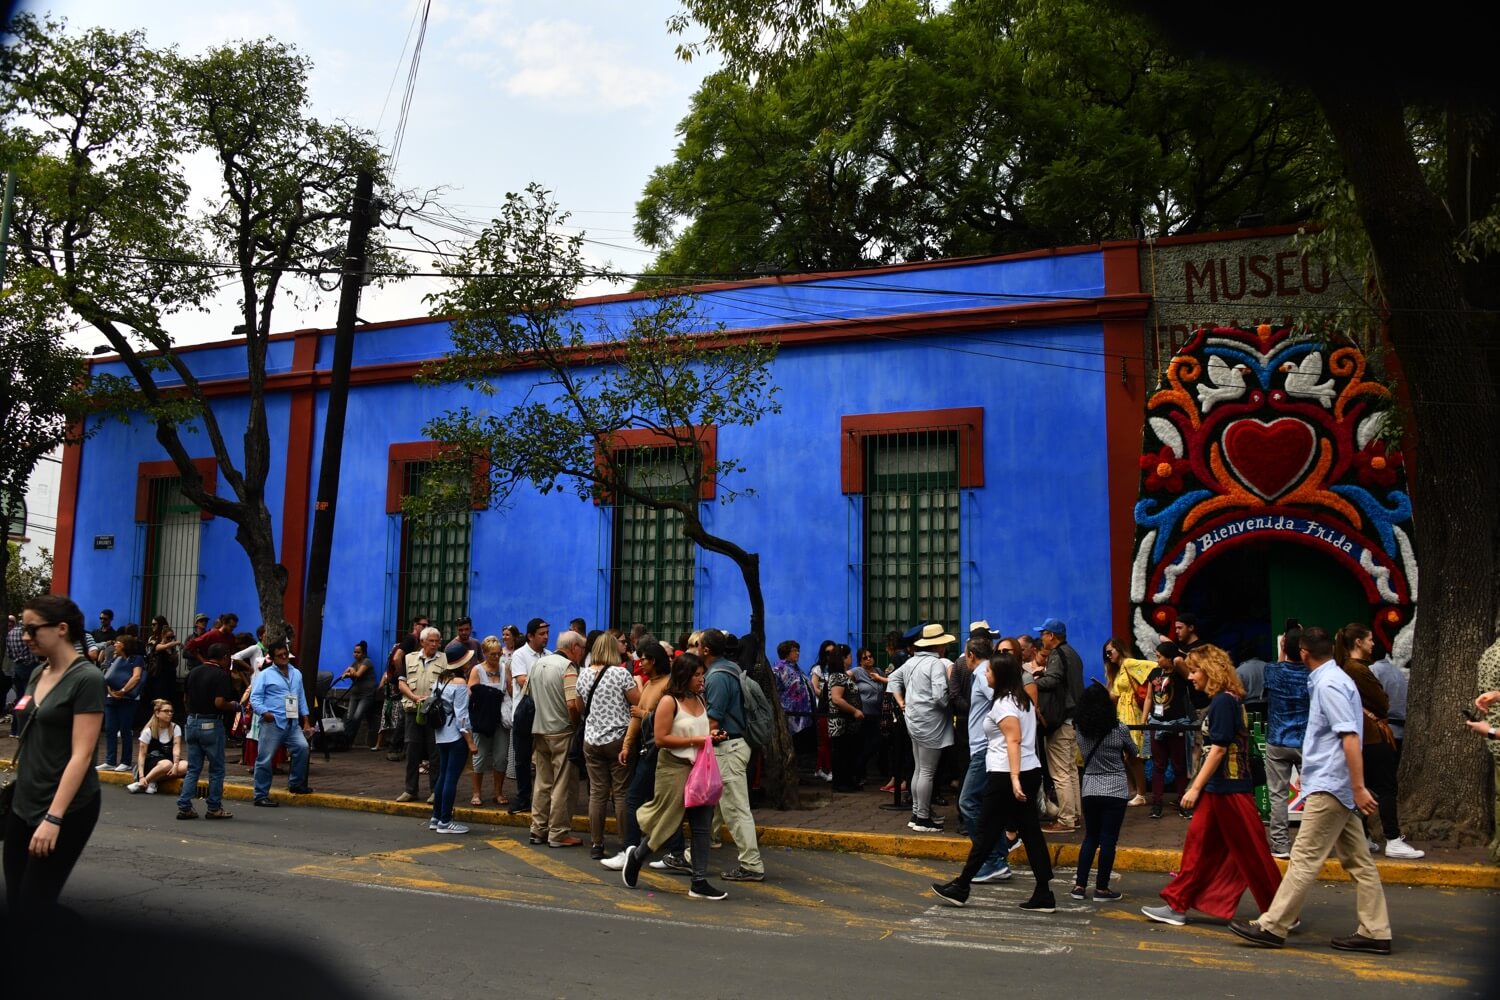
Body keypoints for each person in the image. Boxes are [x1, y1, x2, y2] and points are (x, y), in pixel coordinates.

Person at [1228, 627, 1393, 955]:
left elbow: (1349, 737)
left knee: (1304, 858)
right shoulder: (1332, 679)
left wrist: (1358, 787)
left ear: (1303, 653)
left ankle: (1273, 925)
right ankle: (1376, 930)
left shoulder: (1329, 684)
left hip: (1331, 786)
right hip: (1334, 784)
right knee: (1359, 861)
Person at [1142, 645, 1281, 927]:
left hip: (1230, 789)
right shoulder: (1226, 699)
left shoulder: (1224, 702)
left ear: (1210, 671)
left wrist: (1194, 788)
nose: (1190, 676)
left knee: (1252, 854)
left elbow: (1218, 749)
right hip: (1221, 788)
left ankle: (1281, 911)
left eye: (1195, 671)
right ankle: (1177, 904)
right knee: (1200, 850)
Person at [931, 651, 1055, 911]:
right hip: (1027, 770)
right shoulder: (1022, 700)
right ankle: (1043, 891)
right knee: (1030, 832)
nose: (985, 674)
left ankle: (962, 886)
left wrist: (1014, 778)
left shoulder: (1004, 704)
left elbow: (1013, 740)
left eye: (989, 671)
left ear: (1000, 675)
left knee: (987, 831)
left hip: (1006, 774)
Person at [7, 596, 106, 915]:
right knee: (16, 901)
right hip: (23, 802)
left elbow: (82, 755)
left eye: (32, 629)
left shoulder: (87, 679)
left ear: (61, 629)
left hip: (67, 807)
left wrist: (53, 818)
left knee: (34, 905)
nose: (25, 636)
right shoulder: (37, 672)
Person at [621, 652, 729, 901]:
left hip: (699, 768)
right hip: (673, 767)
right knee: (667, 823)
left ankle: (698, 881)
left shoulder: (699, 698)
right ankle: (637, 856)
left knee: (702, 827)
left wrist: (712, 736)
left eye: (702, 674)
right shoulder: (669, 702)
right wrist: (698, 740)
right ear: (684, 675)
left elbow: (701, 729)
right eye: (697, 675)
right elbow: (661, 739)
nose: (702, 679)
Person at [1334, 623, 1422, 860]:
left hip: (1365, 735)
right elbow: (1382, 702)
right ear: (1358, 642)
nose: (1373, 644)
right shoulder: (1357, 669)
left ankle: (1363, 837)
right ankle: (1392, 838)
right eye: (1370, 639)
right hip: (1373, 735)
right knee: (1386, 788)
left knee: (1366, 786)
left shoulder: (1349, 668)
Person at [688, 628, 766, 881]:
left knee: (735, 810)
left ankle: (752, 865)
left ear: (706, 650)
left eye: (697, 645)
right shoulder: (729, 668)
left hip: (728, 748)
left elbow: (713, 720)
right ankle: (692, 854)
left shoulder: (717, 677)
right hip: (733, 746)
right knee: (714, 806)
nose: (695, 649)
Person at [604, 638, 677, 872]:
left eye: (643, 659)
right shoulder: (649, 685)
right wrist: (627, 745)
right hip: (647, 748)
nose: (640, 663)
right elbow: (635, 718)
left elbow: (665, 718)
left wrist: (643, 713)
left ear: (653, 661)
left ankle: (631, 849)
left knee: (635, 798)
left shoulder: (668, 686)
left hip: (659, 751)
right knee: (660, 802)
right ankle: (675, 851)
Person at [1072, 683, 1139, 900]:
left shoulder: (1080, 729)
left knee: (1090, 837)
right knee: (1108, 839)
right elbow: (1134, 751)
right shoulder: (1118, 729)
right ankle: (1101, 888)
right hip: (1115, 789)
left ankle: (1079, 886)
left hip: (1090, 787)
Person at [578, 631, 640, 859]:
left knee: (597, 793)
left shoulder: (584, 674)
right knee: (621, 792)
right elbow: (637, 702)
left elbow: (579, 707)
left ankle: (597, 843)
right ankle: (625, 842)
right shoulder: (621, 673)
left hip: (592, 739)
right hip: (618, 738)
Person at [889, 623, 955, 833]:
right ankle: (923, 818)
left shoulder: (912, 662)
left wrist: (901, 701)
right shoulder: (935, 664)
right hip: (931, 722)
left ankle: (917, 814)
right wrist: (951, 705)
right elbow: (940, 696)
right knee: (927, 771)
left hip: (914, 720)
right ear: (938, 646)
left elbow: (892, 679)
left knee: (920, 769)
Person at [956, 635, 1011, 883]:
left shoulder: (982, 673)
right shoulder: (987, 671)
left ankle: (991, 860)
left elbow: (999, 700)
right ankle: (998, 859)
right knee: (987, 805)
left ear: (971, 655)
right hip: (987, 747)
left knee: (968, 802)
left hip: (984, 748)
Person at [528, 629, 584, 848]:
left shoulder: (538, 664)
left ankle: (538, 829)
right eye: (581, 648)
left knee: (542, 782)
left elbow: (529, 696)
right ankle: (558, 833)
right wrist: (575, 725)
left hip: (540, 729)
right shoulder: (567, 667)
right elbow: (572, 704)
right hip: (561, 731)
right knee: (563, 784)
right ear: (574, 647)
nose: (581, 653)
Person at [176, 642, 239, 820]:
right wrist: (233, 706)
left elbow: (185, 698)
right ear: (224, 657)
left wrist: (192, 715)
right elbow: (219, 703)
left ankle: (184, 805)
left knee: (193, 768)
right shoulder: (221, 675)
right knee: (216, 769)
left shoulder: (193, 672)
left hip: (192, 721)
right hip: (211, 723)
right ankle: (214, 807)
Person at [1033, 617, 1085, 832]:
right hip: (1072, 718)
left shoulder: (1057, 654)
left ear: (1051, 636)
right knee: (1070, 770)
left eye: (1043, 634)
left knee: (1061, 773)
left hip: (1061, 719)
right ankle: (1074, 815)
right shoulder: (1073, 653)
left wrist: (1033, 682)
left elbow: (1053, 680)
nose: (1041, 638)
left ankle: (1066, 820)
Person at [1263, 628, 1311, 859]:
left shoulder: (1272, 671)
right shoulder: (1312, 674)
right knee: (1313, 794)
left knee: (1278, 795)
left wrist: (1282, 648)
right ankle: (1309, 844)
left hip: (1277, 739)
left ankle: (1280, 844)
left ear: (1283, 647)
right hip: (1305, 740)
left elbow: (1279, 667)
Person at [248, 641, 313, 806]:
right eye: (280, 655)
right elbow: (255, 697)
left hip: (292, 722)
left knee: (302, 748)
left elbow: (301, 698)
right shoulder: (265, 675)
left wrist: (306, 721)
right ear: (272, 657)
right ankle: (260, 795)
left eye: (285, 654)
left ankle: (296, 783)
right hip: (273, 722)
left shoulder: (296, 673)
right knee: (265, 758)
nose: (284, 657)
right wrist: (265, 713)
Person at [394, 626, 447, 804]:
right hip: (412, 710)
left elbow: (449, 684)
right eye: (430, 641)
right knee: (412, 751)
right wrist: (414, 697)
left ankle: (435, 790)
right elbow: (401, 683)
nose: (434, 644)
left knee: (435, 753)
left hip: (434, 712)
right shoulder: (409, 658)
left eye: (437, 641)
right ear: (422, 642)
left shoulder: (444, 659)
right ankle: (410, 790)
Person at [1145, 639, 1194, 819]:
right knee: (1158, 765)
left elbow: (1189, 673)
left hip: (1176, 723)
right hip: (1156, 723)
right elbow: (1149, 698)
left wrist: (1178, 658)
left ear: (1169, 658)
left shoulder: (1179, 672)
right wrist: (1143, 723)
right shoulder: (1154, 673)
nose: (1157, 660)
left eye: (1159, 657)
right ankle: (1156, 804)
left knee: (1179, 765)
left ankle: (1183, 803)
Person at [1103, 638, 1152, 805]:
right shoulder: (1117, 670)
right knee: (1126, 756)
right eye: (1106, 654)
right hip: (1121, 714)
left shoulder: (1129, 663)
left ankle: (1141, 794)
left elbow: (1153, 667)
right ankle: (1134, 791)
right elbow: (1115, 696)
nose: (1108, 656)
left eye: (1110, 652)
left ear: (1119, 649)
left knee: (1133, 755)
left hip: (1132, 713)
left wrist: (1149, 695)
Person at [427, 657, 473, 835]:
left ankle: (436, 817)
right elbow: (462, 715)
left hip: (441, 734)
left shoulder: (441, 680)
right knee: (451, 778)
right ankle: (445, 821)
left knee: (443, 776)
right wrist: (470, 741)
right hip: (455, 735)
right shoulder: (459, 683)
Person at [509, 617, 550, 813]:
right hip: (524, 712)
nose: (546, 637)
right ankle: (523, 797)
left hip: (544, 712)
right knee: (522, 758)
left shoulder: (550, 655)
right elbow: (522, 681)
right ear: (530, 636)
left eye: (547, 633)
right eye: (541, 634)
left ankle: (544, 798)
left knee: (544, 756)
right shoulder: (520, 655)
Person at [467, 635, 510, 807]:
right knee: (480, 757)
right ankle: (476, 792)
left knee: (501, 757)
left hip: (500, 719)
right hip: (483, 719)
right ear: (484, 653)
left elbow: (511, 691)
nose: (496, 657)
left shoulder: (504, 668)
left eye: (499, 654)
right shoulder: (477, 670)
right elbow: (471, 694)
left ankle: (498, 792)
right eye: (493, 654)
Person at [822, 643, 865, 792]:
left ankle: (847, 781)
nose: (851, 658)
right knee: (842, 753)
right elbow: (837, 699)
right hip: (841, 723)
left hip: (847, 724)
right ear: (843, 658)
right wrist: (854, 711)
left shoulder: (842, 675)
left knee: (847, 752)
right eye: (849, 655)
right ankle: (842, 783)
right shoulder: (838, 677)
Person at [100, 635, 145, 772]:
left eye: (118, 642)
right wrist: (111, 691)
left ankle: (126, 761)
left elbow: (136, 676)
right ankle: (110, 760)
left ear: (125, 645)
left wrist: (123, 690)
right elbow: (108, 677)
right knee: (110, 729)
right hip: (111, 698)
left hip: (128, 699)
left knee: (125, 729)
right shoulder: (114, 659)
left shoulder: (137, 659)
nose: (115, 645)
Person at [126, 699, 186, 794]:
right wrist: (141, 776)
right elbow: (142, 755)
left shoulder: (175, 728)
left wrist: (175, 765)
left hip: (169, 761)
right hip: (150, 763)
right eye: (166, 711)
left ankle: (150, 781)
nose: (170, 713)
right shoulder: (148, 731)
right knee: (166, 764)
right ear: (157, 713)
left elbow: (176, 748)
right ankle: (142, 781)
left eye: (171, 711)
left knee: (185, 766)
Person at [338, 640, 380, 750]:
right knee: (349, 717)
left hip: (366, 695)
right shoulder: (354, 664)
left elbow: (357, 674)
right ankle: (345, 742)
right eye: (354, 652)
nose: (355, 654)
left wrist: (350, 671)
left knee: (357, 717)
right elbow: (344, 674)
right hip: (355, 694)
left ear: (364, 653)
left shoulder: (367, 662)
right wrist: (348, 672)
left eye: (358, 652)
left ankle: (349, 741)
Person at [6, 615, 42, 738]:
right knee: (29, 698)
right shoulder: (26, 633)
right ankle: (26, 730)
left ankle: (15, 730)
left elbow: (9, 654)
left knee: (20, 699)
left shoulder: (9, 634)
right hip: (29, 667)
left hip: (17, 669)